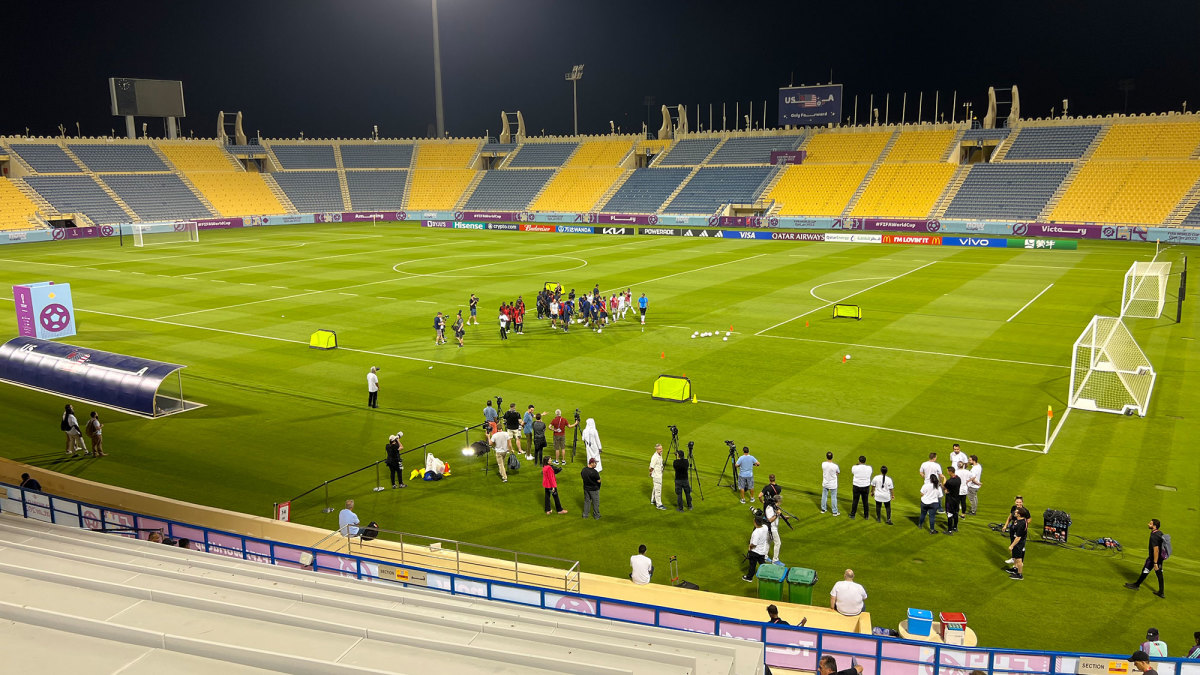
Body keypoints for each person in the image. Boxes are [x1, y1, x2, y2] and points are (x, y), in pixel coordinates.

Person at [1124, 519, 1167, 598]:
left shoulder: (1154, 536)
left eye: (1150, 523)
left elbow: (1156, 550)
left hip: (1153, 559)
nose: (1148, 524)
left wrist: (1155, 562)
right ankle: (1161, 592)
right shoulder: (1160, 533)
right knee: (1159, 573)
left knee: (1146, 570)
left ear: (1154, 526)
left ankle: (1136, 585)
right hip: (1159, 558)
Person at [743, 516, 770, 582]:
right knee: (763, 564)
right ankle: (767, 576)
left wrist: (750, 547)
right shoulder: (765, 527)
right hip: (762, 551)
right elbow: (765, 523)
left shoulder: (756, 532)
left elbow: (754, 544)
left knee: (752, 565)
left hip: (755, 552)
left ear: (755, 523)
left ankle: (749, 578)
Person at [1006, 506, 1030, 580]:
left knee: (1018, 559)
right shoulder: (1019, 520)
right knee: (1016, 557)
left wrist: (1011, 546)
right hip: (1017, 542)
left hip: (1018, 543)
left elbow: (1018, 537)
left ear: (1019, 514)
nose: (1015, 513)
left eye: (1016, 512)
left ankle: (1019, 575)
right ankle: (1015, 569)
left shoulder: (1021, 524)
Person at [1003, 496, 1026, 564]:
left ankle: (1020, 562)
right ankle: (1014, 558)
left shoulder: (1025, 511)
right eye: (1017, 502)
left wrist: (1022, 527)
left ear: (1022, 502)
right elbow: (1010, 517)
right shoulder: (1013, 508)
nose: (1018, 503)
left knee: (1020, 546)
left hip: (1019, 530)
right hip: (1013, 528)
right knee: (1013, 542)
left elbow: (1028, 520)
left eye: (1020, 502)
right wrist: (1005, 525)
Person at [849, 455, 872, 519]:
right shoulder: (869, 468)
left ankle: (853, 515)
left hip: (856, 486)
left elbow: (853, 472)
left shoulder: (854, 467)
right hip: (866, 486)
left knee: (855, 501)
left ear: (859, 461)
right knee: (865, 501)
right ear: (865, 461)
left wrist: (857, 465)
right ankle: (866, 516)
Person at [763, 494, 782, 564]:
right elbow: (770, 519)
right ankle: (775, 560)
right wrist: (777, 514)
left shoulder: (774, 507)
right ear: (778, 501)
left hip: (772, 528)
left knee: (768, 541)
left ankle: (764, 556)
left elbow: (776, 516)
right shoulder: (769, 508)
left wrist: (784, 517)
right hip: (772, 528)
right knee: (778, 543)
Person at [943, 466, 962, 534]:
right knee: (956, 513)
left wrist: (944, 478)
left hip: (950, 500)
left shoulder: (949, 481)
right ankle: (955, 527)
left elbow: (944, 487)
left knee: (949, 514)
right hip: (957, 500)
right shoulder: (959, 479)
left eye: (948, 471)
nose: (947, 472)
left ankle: (949, 530)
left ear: (950, 472)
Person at [820, 451, 840, 516]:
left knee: (824, 496)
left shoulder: (823, 464)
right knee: (833, 497)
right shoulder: (835, 466)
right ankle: (834, 512)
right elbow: (838, 472)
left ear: (826, 457)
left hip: (825, 483)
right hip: (833, 484)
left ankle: (823, 509)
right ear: (832, 457)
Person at [648, 443, 666, 510]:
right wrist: (650, 472)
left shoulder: (660, 455)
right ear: (656, 449)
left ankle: (653, 500)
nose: (661, 450)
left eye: (662, 448)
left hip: (659, 474)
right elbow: (651, 467)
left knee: (655, 487)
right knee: (658, 490)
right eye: (660, 449)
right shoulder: (654, 457)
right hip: (657, 476)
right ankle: (659, 505)